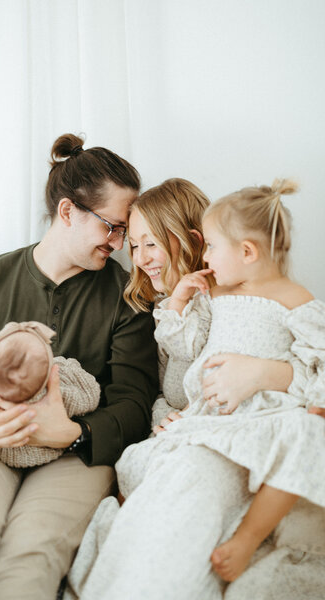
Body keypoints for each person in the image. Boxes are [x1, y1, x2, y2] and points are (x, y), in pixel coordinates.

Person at [65, 178, 325, 600]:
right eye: (135, 246)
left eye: (150, 244)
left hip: (258, 418)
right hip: (202, 423)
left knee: (293, 444)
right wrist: (177, 305)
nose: (140, 259)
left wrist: (269, 377)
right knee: (170, 496)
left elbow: (318, 365)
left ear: (244, 252)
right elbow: (180, 365)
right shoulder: (201, 297)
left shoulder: (290, 299)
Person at [0, 133, 159, 600]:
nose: (118, 244)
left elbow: (135, 403)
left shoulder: (128, 296)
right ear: (68, 211)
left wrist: (70, 433)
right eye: (112, 227)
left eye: (123, 232)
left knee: (30, 553)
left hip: (77, 454)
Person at [0, 321, 101, 468]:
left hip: (0, 451)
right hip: (47, 453)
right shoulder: (59, 394)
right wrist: (66, 367)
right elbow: (90, 395)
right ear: (49, 370)